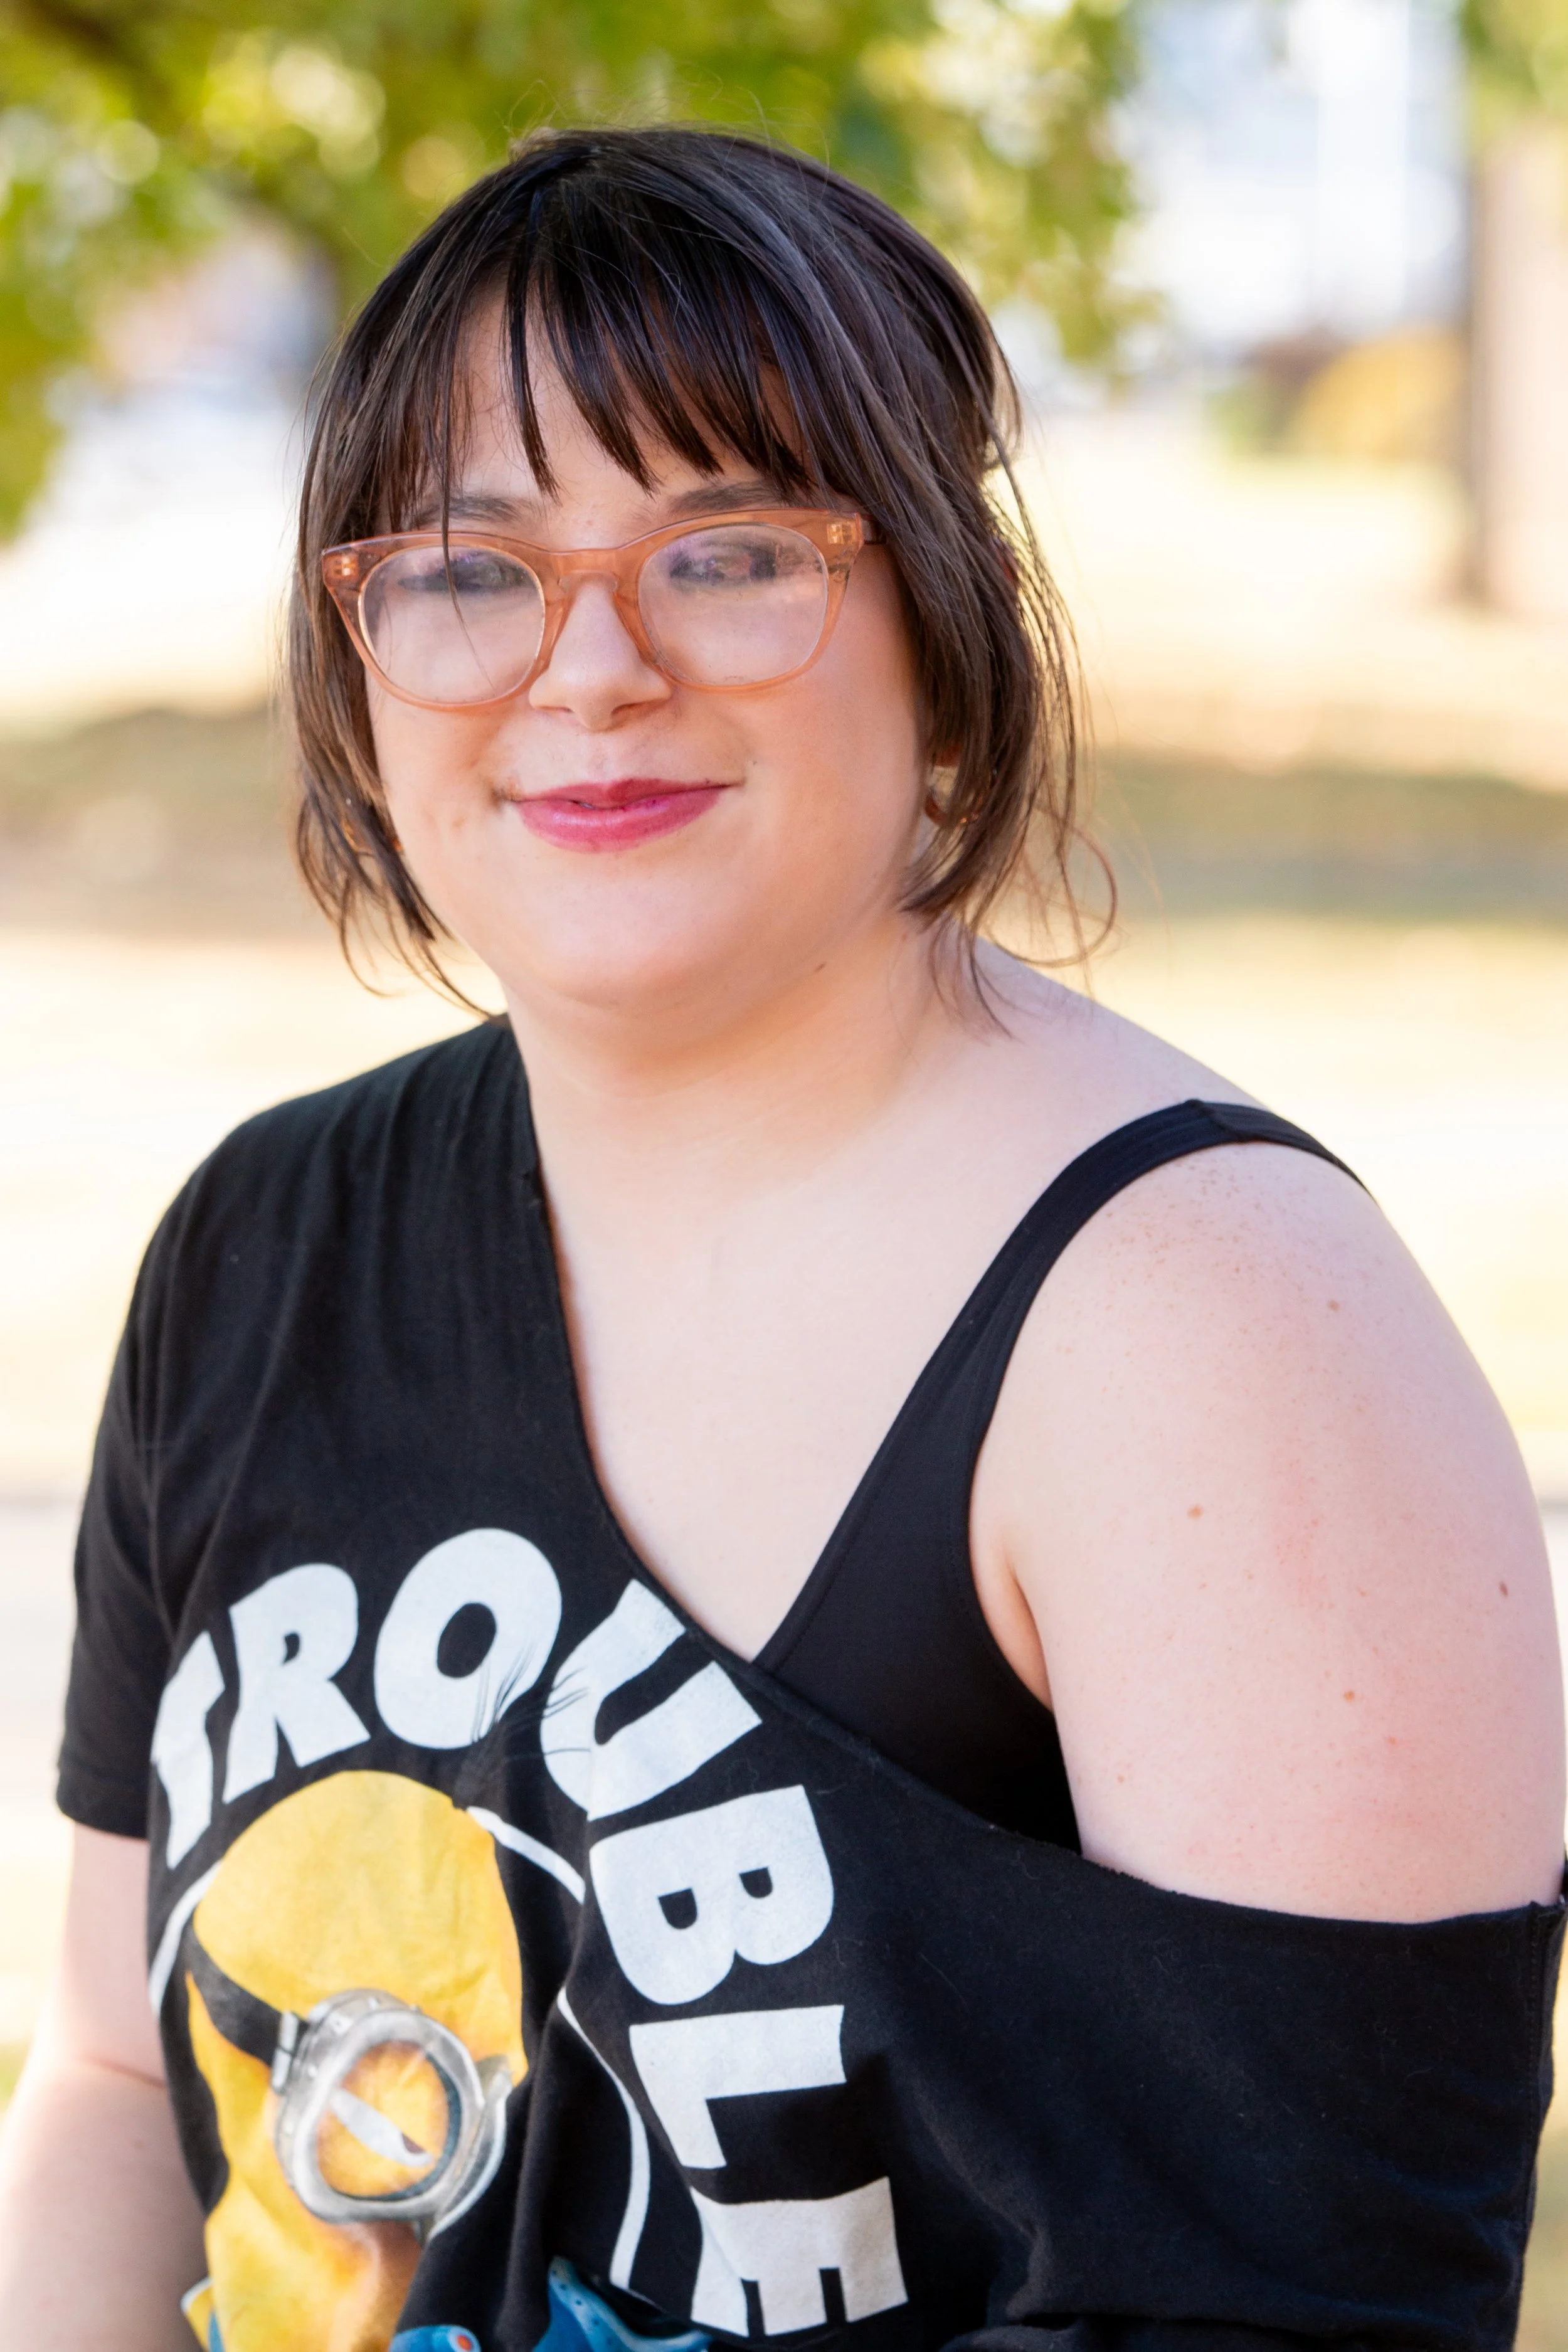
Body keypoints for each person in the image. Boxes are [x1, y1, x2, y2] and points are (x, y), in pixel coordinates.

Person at [0, 124, 1560, 2352]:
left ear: (939, 613)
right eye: (468, 565)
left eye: (727, 551)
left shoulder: (1212, 1333)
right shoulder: (261, 1248)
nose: (591, 667)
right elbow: (115, 2073)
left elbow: (1300, 2318)